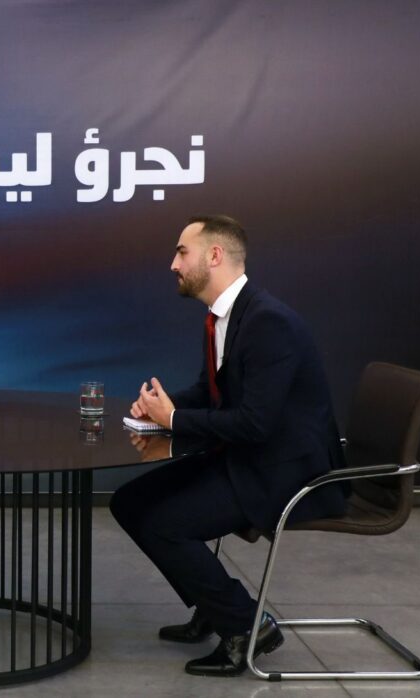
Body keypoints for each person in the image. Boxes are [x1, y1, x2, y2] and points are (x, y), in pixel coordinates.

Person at [109, 215, 346, 677]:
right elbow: (212, 391)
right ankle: (213, 606)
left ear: (214, 256)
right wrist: (163, 408)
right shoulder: (226, 317)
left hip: (284, 473)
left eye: (182, 252)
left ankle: (246, 627)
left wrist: (174, 420)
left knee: (163, 524)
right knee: (129, 502)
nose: (173, 264)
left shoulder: (267, 322)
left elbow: (255, 423)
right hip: (246, 457)